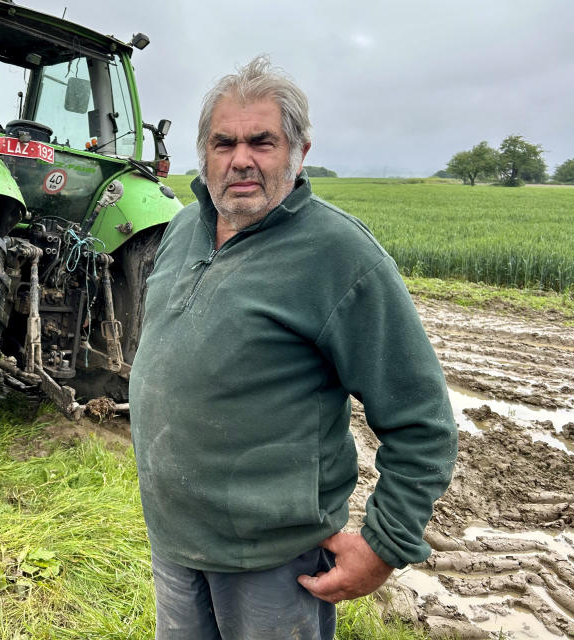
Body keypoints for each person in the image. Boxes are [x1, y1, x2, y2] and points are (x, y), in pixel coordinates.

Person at [128, 56, 458, 640]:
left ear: (299, 151)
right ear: (203, 154)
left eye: (263, 142)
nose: (241, 159)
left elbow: (422, 422)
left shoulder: (340, 257)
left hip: (273, 561)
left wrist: (384, 543)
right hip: (174, 538)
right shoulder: (182, 229)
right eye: (224, 142)